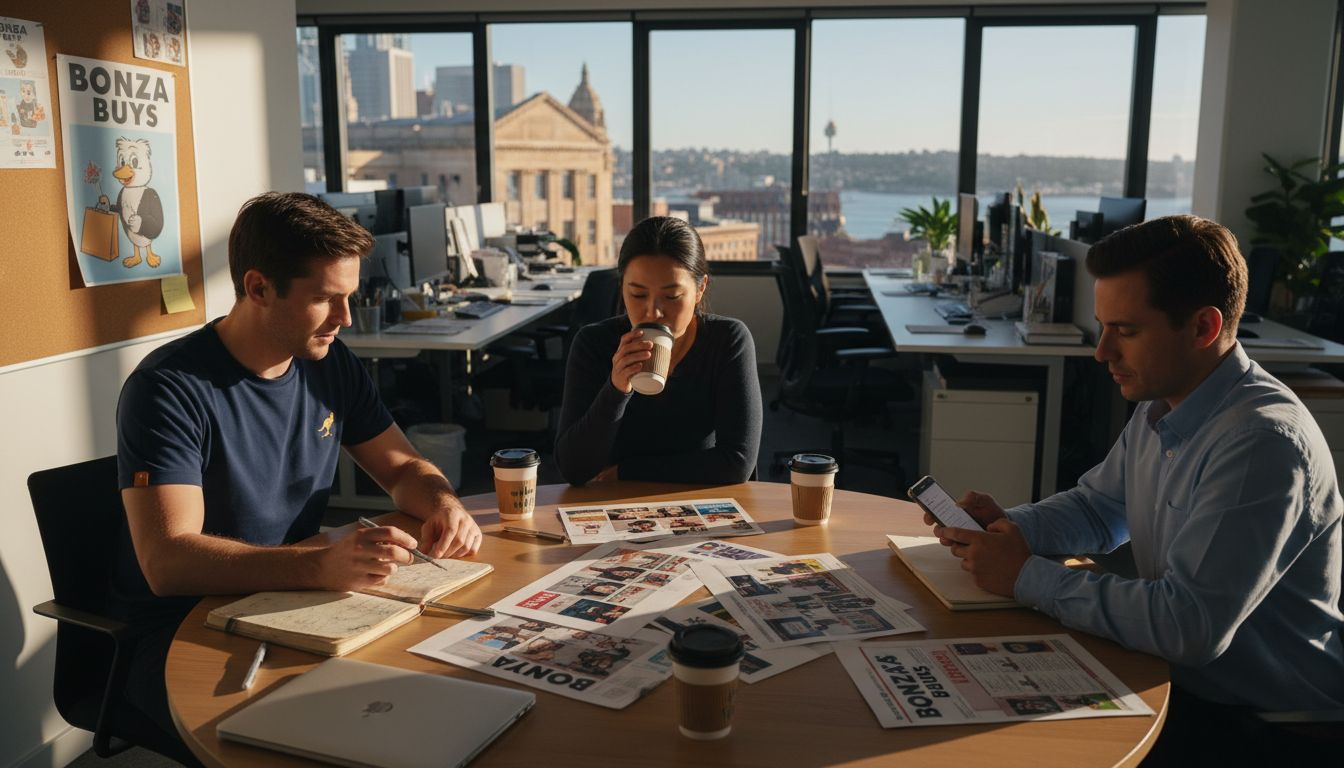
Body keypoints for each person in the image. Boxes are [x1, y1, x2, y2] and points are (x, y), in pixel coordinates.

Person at [926, 215, 1343, 760]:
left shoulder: (1260, 444)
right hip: (1179, 681)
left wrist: (1025, 576)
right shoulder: (1164, 404)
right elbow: (1101, 510)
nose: (1102, 353)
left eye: (1125, 330)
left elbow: (1186, 625)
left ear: (1202, 328)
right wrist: (1008, 529)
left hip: (1265, 727)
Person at [112, 192, 483, 739]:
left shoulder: (329, 362)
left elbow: (404, 468)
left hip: (295, 601)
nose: (346, 318)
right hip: (182, 631)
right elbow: (169, 562)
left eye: (350, 297)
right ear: (259, 287)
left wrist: (445, 504)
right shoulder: (168, 389)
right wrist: (316, 566)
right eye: (326, 299)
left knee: (439, 706)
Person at [554, 216, 762, 484]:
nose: (653, 312)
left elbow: (737, 463)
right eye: (638, 295)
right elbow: (572, 470)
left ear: (700, 289)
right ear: (622, 289)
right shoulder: (594, 344)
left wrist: (626, 472)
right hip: (614, 505)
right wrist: (616, 389)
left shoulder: (727, 341)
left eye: (672, 297)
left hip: (699, 502)